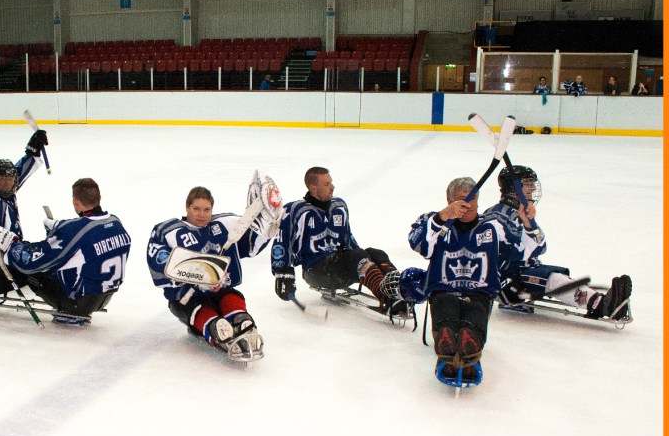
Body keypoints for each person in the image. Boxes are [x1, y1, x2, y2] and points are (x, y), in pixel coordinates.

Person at [0, 178, 131, 326]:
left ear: (75, 202)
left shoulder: (76, 231)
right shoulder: (115, 222)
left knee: (23, 267)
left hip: (75, 303)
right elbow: (87, 237)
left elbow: (30, 262)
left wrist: (8, 242)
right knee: (34, 252)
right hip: (101, 297)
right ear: (99, 197)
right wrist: (59, 228)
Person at [146, 182, 281, 359]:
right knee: (205, 313)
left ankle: (243, 324)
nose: (202, 214)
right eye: (196, 209)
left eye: (206, 209)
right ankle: (216, 328)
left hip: (222, 290)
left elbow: (249, 245)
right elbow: (159, 259)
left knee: (234, 303)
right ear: (187, 207)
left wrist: (265, 230)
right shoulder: (169, 231)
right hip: (188, 297)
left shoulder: (226, 223)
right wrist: (196, 271)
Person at [483, 165, 632, 320]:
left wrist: (530, 224)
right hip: (508, 280)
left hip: (520, 271)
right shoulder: (497, 217)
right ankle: (602, 306)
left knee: (557, 276)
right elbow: (495, 254)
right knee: (553, 279)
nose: (533, 187)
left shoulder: (519, 213)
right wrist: (499, 286)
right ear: (513, 188)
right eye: (528, 183)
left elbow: (540, 246)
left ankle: (597, 298)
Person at [271, 167, 424, 317]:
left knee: (376, 253)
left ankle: (398, 290)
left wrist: (365, 258)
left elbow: (348, 239)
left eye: (331, 182)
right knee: (356, 256)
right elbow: (281, 243)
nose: (332, 187)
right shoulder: (296, 210)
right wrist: (282, 274)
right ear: (313, 188)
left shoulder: (339, 206)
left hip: (339, 265)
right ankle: (387, 297)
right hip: (316, 271)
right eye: (326, 184)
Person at [408, 177, 516, 381]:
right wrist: (442, 217)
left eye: (473, 198)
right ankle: (447, 344)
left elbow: (527, 247)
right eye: (461, 198)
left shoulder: (493, 227)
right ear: (449, 200)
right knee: (446, 311)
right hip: (444, 291)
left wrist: (530, 223)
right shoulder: (435, 222)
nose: (469, 203)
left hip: (479, 294)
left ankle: (470, 347)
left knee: (474, 314)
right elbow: (418, 244)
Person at [0, 129, 49, 270]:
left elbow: (19, 171)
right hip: (5, 256)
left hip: (15, 248)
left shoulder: (7, 190)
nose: (6, 184)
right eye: (1, 180)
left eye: (10, 180)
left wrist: (32, 150)